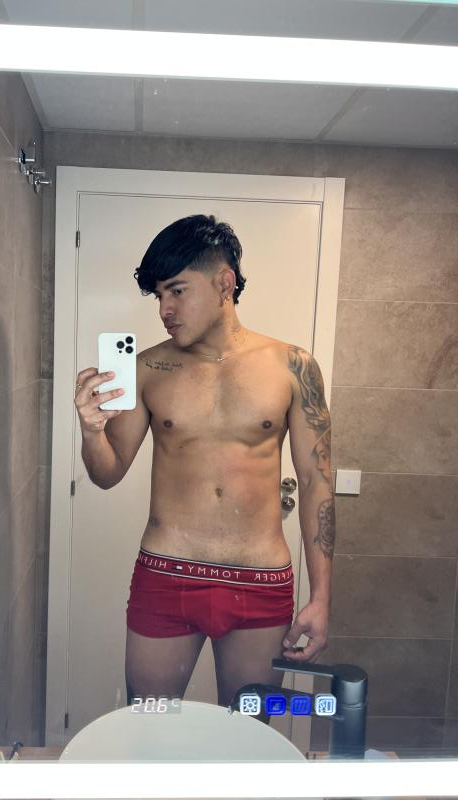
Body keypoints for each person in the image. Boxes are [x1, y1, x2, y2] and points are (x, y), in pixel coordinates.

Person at [74, 213, 335, 725]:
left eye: (176, 291)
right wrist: (90, 431)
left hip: (260, 581)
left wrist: (322, 597)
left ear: (224, 283)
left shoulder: (292, 367)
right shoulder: (148, 368)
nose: (164, 310)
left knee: (246, 736)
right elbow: (108, 473)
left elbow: (315, 483)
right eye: (159, 297)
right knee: (146, 730)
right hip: (166, 575)